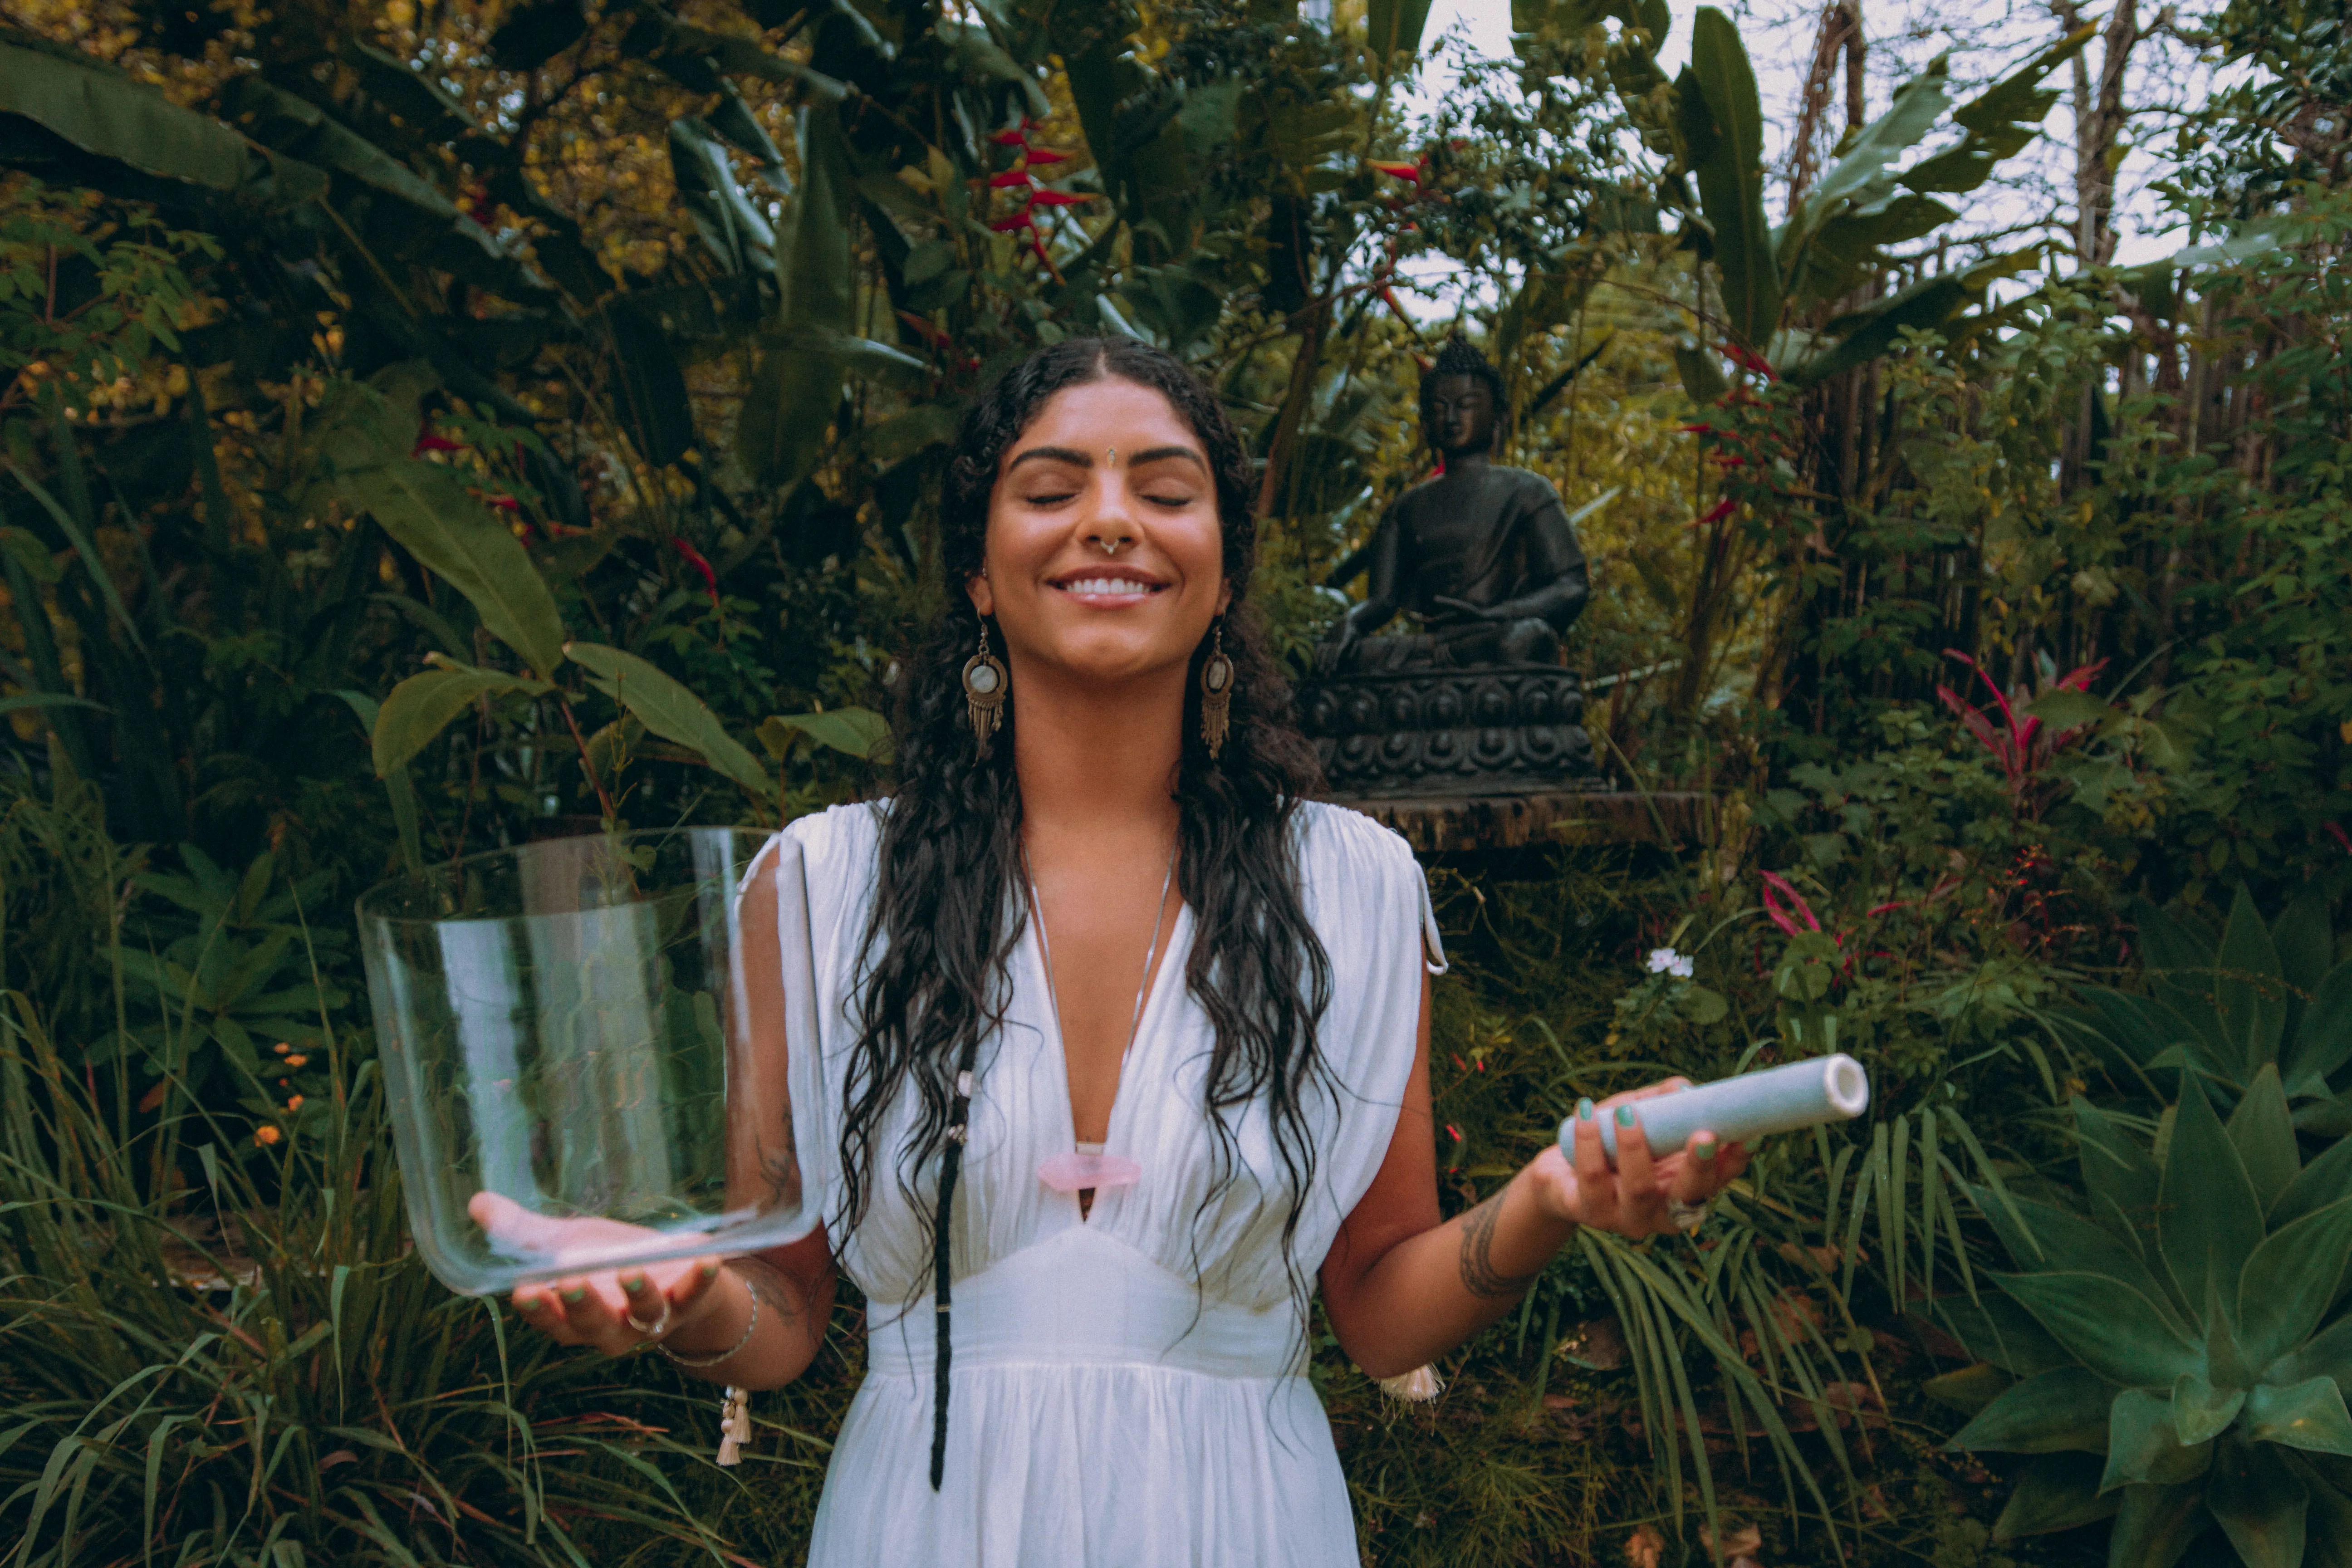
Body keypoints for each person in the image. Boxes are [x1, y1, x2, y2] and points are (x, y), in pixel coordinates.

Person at [503, 337, 1746, 1564]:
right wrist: (670, 1291)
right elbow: (775, 1322)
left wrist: (1548, 1202)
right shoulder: (824, 887)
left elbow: (1376, 1311)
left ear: (1221, 572)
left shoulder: (1352, 887)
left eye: (1164, 492)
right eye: (1050, 491)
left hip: (1247, 1523)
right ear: (981, 574)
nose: (1109, 522)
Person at [1322, 335, 1591, 671]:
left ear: (1499, 416)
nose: (1451, 418)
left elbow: (1572, 587)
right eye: (1439, 408)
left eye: (1465, 406)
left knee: (1525, 638)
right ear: (1425, 425)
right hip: (1432, 646)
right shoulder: (1405, 508)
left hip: (1494, 635)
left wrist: (1496, 614)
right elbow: (1382, 601)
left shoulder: (1527, 490)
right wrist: (1351, 622)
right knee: (1348, 658)